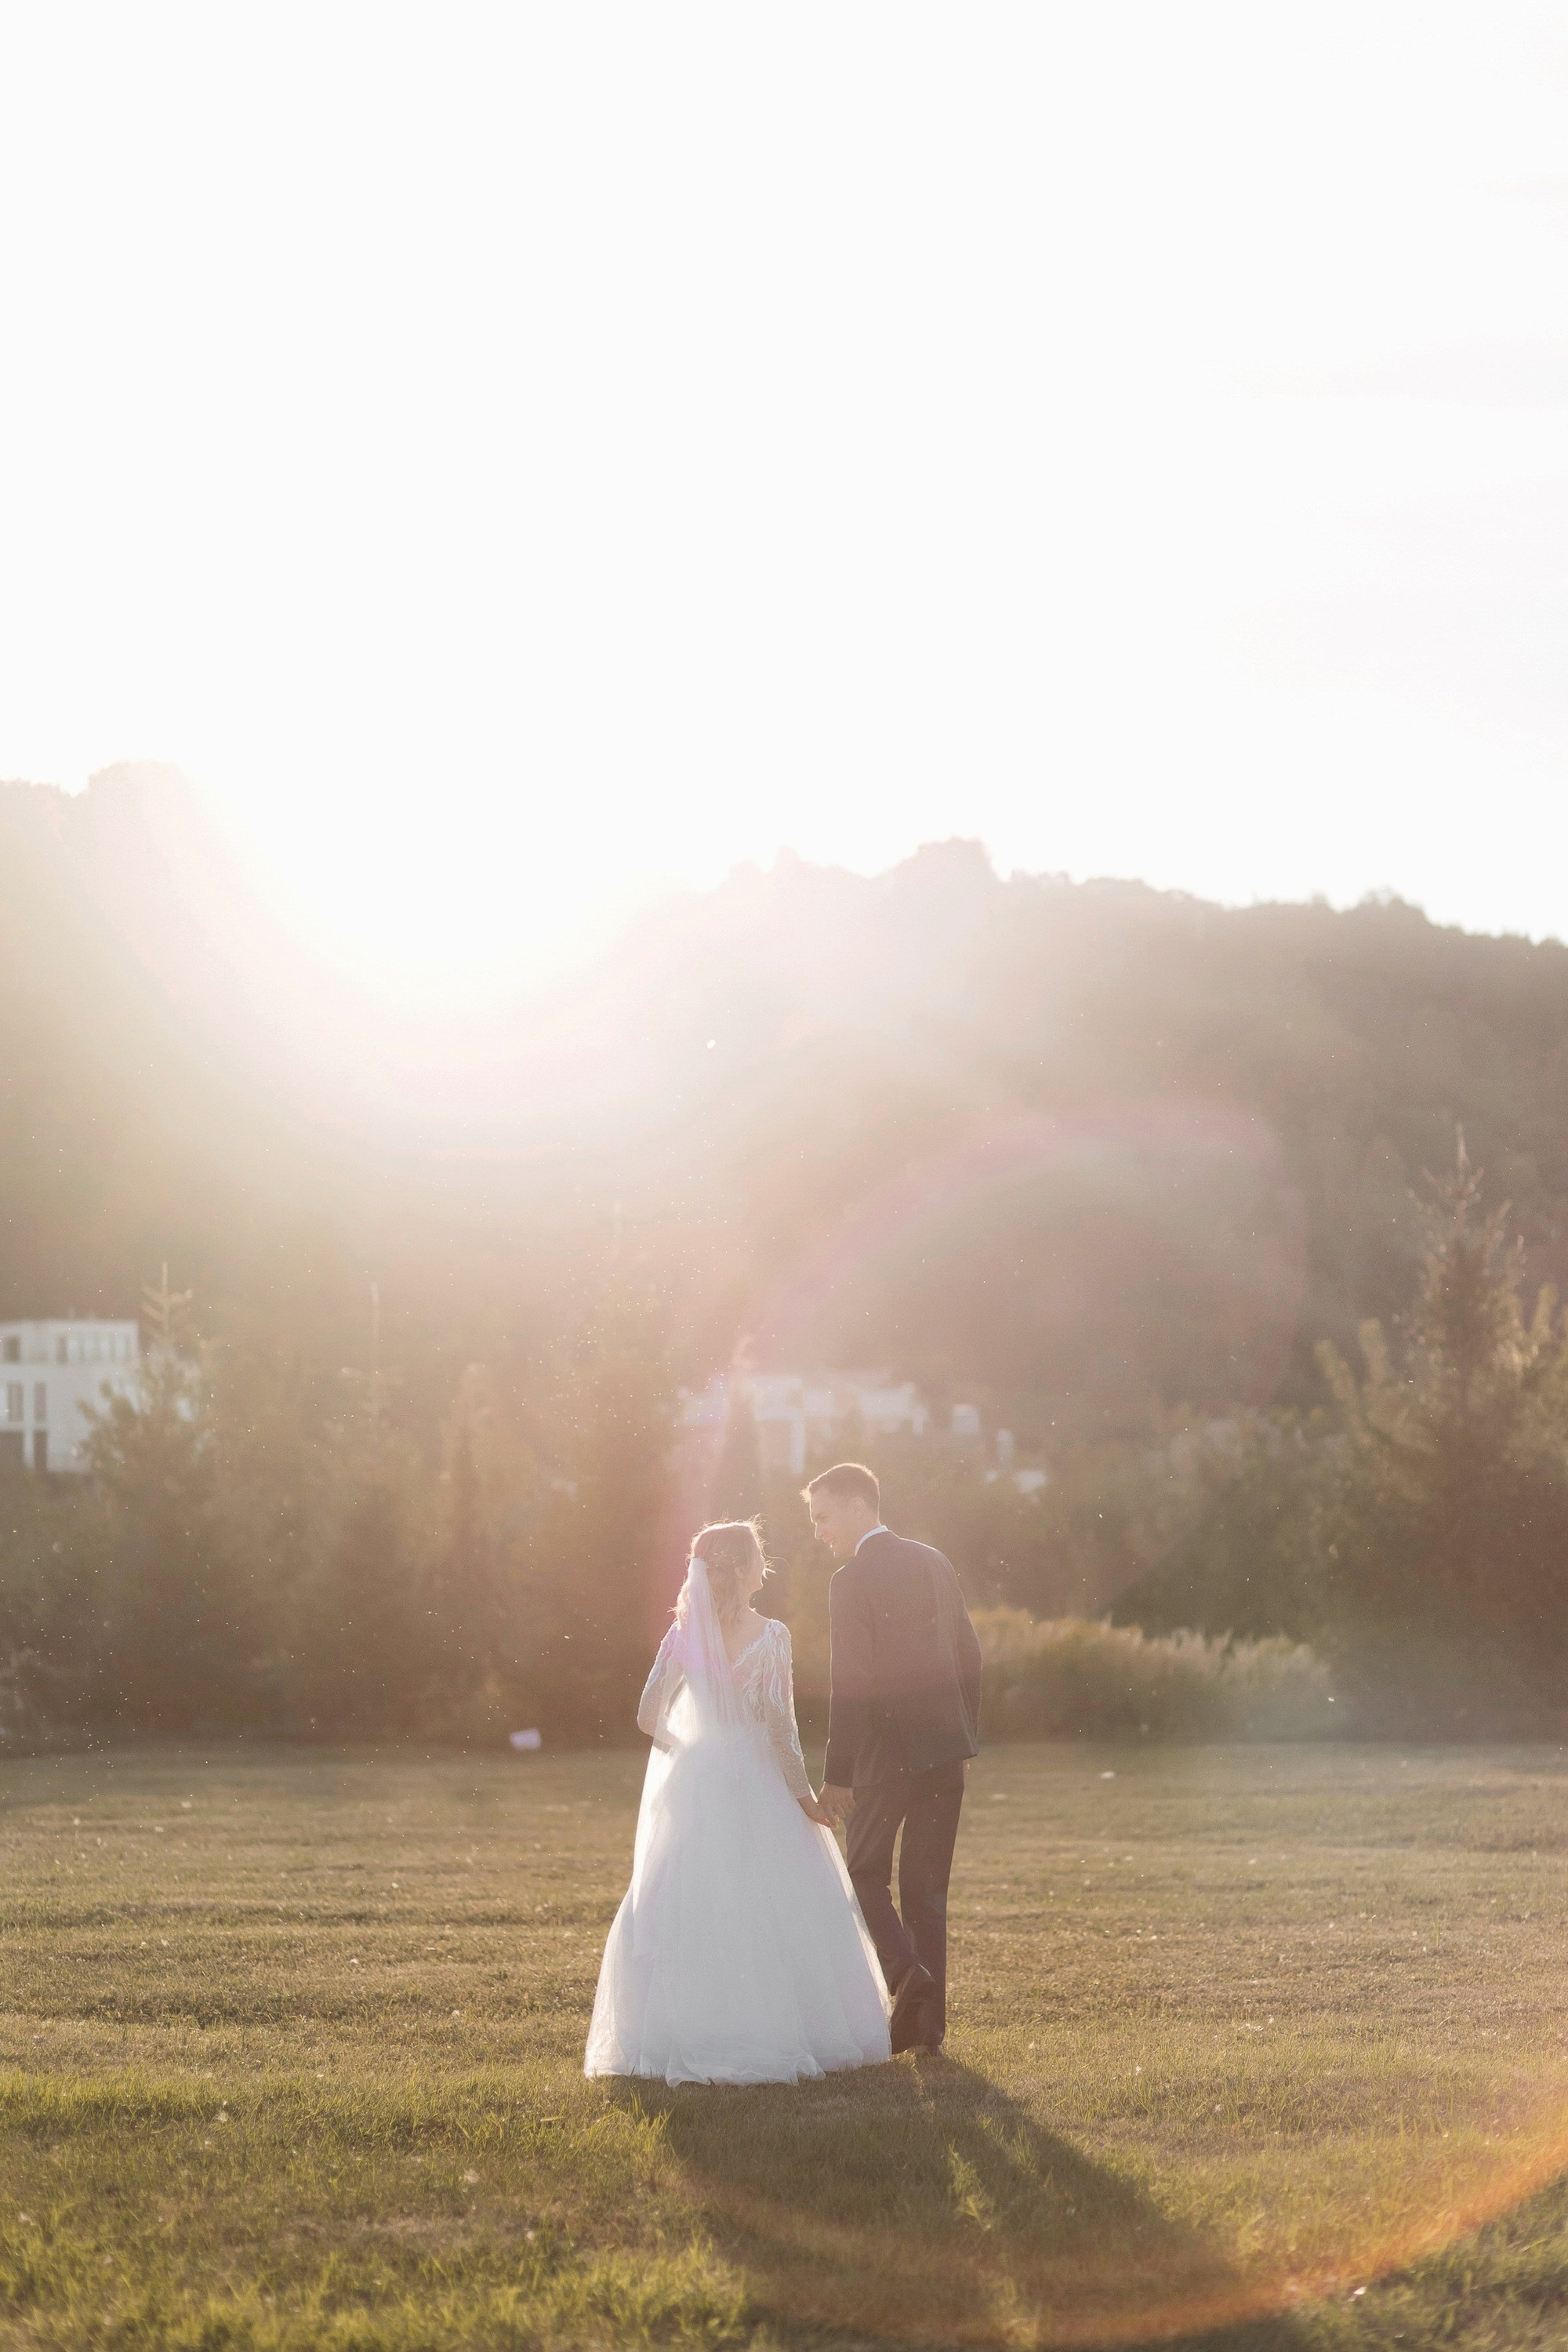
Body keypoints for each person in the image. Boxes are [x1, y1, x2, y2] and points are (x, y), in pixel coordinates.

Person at [584, 1519, 891, 2085]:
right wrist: (806, 1801)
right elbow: (782, 1730)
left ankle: (684, 2030)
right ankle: (783, 2028)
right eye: (758, 1559)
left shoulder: (683, 1634)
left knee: (686, 1902)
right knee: (775, 1900)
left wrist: (693, 1750)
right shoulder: (771, 1635)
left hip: (699, 1782)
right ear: (748, 1569)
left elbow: (648, 1715)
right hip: (758, 1781)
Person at [806, 1462, 982, 2054]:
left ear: (860, 1506)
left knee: (862, 1875)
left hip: (887, 1758)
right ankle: (925, 2032)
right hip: (944, 1752)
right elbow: (968, 1654)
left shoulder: (850, 1580)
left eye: (824, 1517)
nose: (819, 1532)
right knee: (927, 1892)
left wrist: (837, 1775)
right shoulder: (934, 1561)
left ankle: (907, 1977)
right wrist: (965, 1739)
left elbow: (849, 1681)